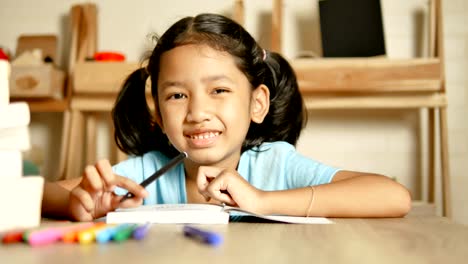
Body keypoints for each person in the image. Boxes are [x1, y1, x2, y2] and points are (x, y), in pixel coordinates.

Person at [42, 13, 411, 221]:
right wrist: (80, 202)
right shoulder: (146, 174)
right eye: (176, 95)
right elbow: (41, 194)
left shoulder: (275, 165)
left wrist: (262, 201)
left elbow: (393, 196)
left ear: (257, 103)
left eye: (218, 90)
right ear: (156, 110)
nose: (198, 113)